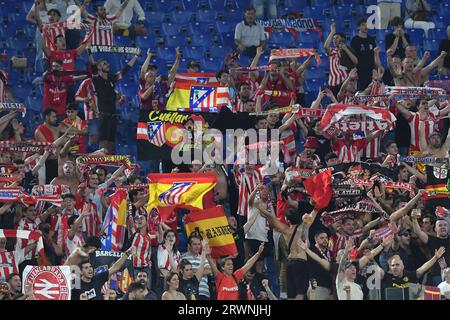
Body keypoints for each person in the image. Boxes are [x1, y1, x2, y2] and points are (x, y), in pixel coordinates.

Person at [91, 52, 140, 153]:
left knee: (111, 143)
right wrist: (89, 51)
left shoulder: (111, 79)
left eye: (107, 63)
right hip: (103, 115)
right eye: (104, 64)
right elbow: (93, 66)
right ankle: (101, 167)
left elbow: (124, 70)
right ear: (99, 67)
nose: (108, 65)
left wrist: (135, 56)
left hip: (113, 115)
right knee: (103, 144)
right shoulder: (97, 79)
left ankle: (110, 167)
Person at [71, 247, 136, 300]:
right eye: (86, 268)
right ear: (81, 271)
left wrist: (126, 254)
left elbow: (115, 268)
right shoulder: (76, 285)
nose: (90, 269)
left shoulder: (98, 278)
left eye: (90, 266)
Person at [324, 23, 358, 97]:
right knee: (335, 104)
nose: (334, 40)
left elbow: (355, 61)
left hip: (344, 82)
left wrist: (345, 49)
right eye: (333, 38)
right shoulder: (332, 51)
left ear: (342, 39)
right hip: (333, 83)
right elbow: (326, 47)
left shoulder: (348, 49)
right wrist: (332, 32)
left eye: (337, 38)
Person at [181, 234, 212, 300]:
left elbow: (209, 270)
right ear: (189, 246)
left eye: (199, 244)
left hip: (204, 292)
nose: (197, 246)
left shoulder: (204, 258)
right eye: (195, 244)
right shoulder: (182, 258)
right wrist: (201, 270)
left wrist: (192, 271)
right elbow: (180, 272)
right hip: (188, 292)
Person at [351, 18, 377, 91]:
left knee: (372, 93)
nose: (366, 27)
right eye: (363, 25)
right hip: (360, 71)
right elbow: (352, 56)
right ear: (358, 27)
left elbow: (375, 55)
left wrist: (376, 67)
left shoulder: (371, 39)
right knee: (361, 93)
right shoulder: (355, 39)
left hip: (371, 71)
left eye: (367, 25)